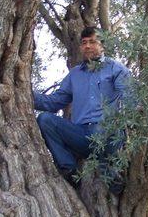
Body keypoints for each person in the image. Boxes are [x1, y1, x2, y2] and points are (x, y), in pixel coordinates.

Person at [34, 27, 131, 194]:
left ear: (102, 45)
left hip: (108, 133)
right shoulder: (74, 75)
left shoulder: (115, 68)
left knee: (107, 129)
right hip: (81, 134)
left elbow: (131, 99)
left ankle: (111, 174)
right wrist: (25, 93)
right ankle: (70, 170)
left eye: (92, 42)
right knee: (45, 120)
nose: (87, 46)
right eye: (84, 43)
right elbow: (54, 102)